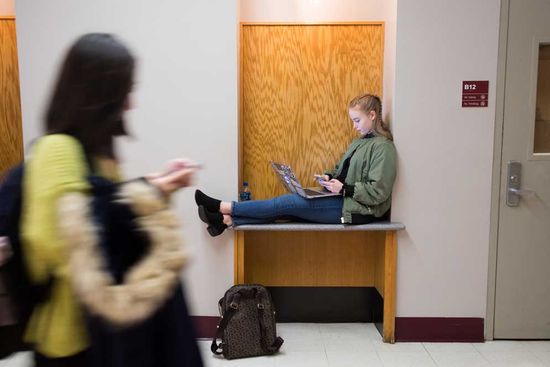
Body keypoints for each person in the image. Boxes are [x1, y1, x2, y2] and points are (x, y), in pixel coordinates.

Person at [20, 33, 203, 366]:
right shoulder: (56, 149)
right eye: (124, 91)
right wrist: (151, 192)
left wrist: (156, 186)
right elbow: (60, 245)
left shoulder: (100, 155)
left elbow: (112, 222)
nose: (130, 103)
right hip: (71, 341)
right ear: (96, 95)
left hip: (108, 334)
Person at [195, 94, 397, 236]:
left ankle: (223, 207)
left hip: (356, 210)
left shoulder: (383, 147)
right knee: (287, 210)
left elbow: (379, 191)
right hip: (340, 198)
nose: (354, 126)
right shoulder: (359, 142)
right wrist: (328, 177)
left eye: (357, 120)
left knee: (287, 203)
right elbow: (340, 170)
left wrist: (344, 188)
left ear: (372, 115)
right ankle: (226, 221)